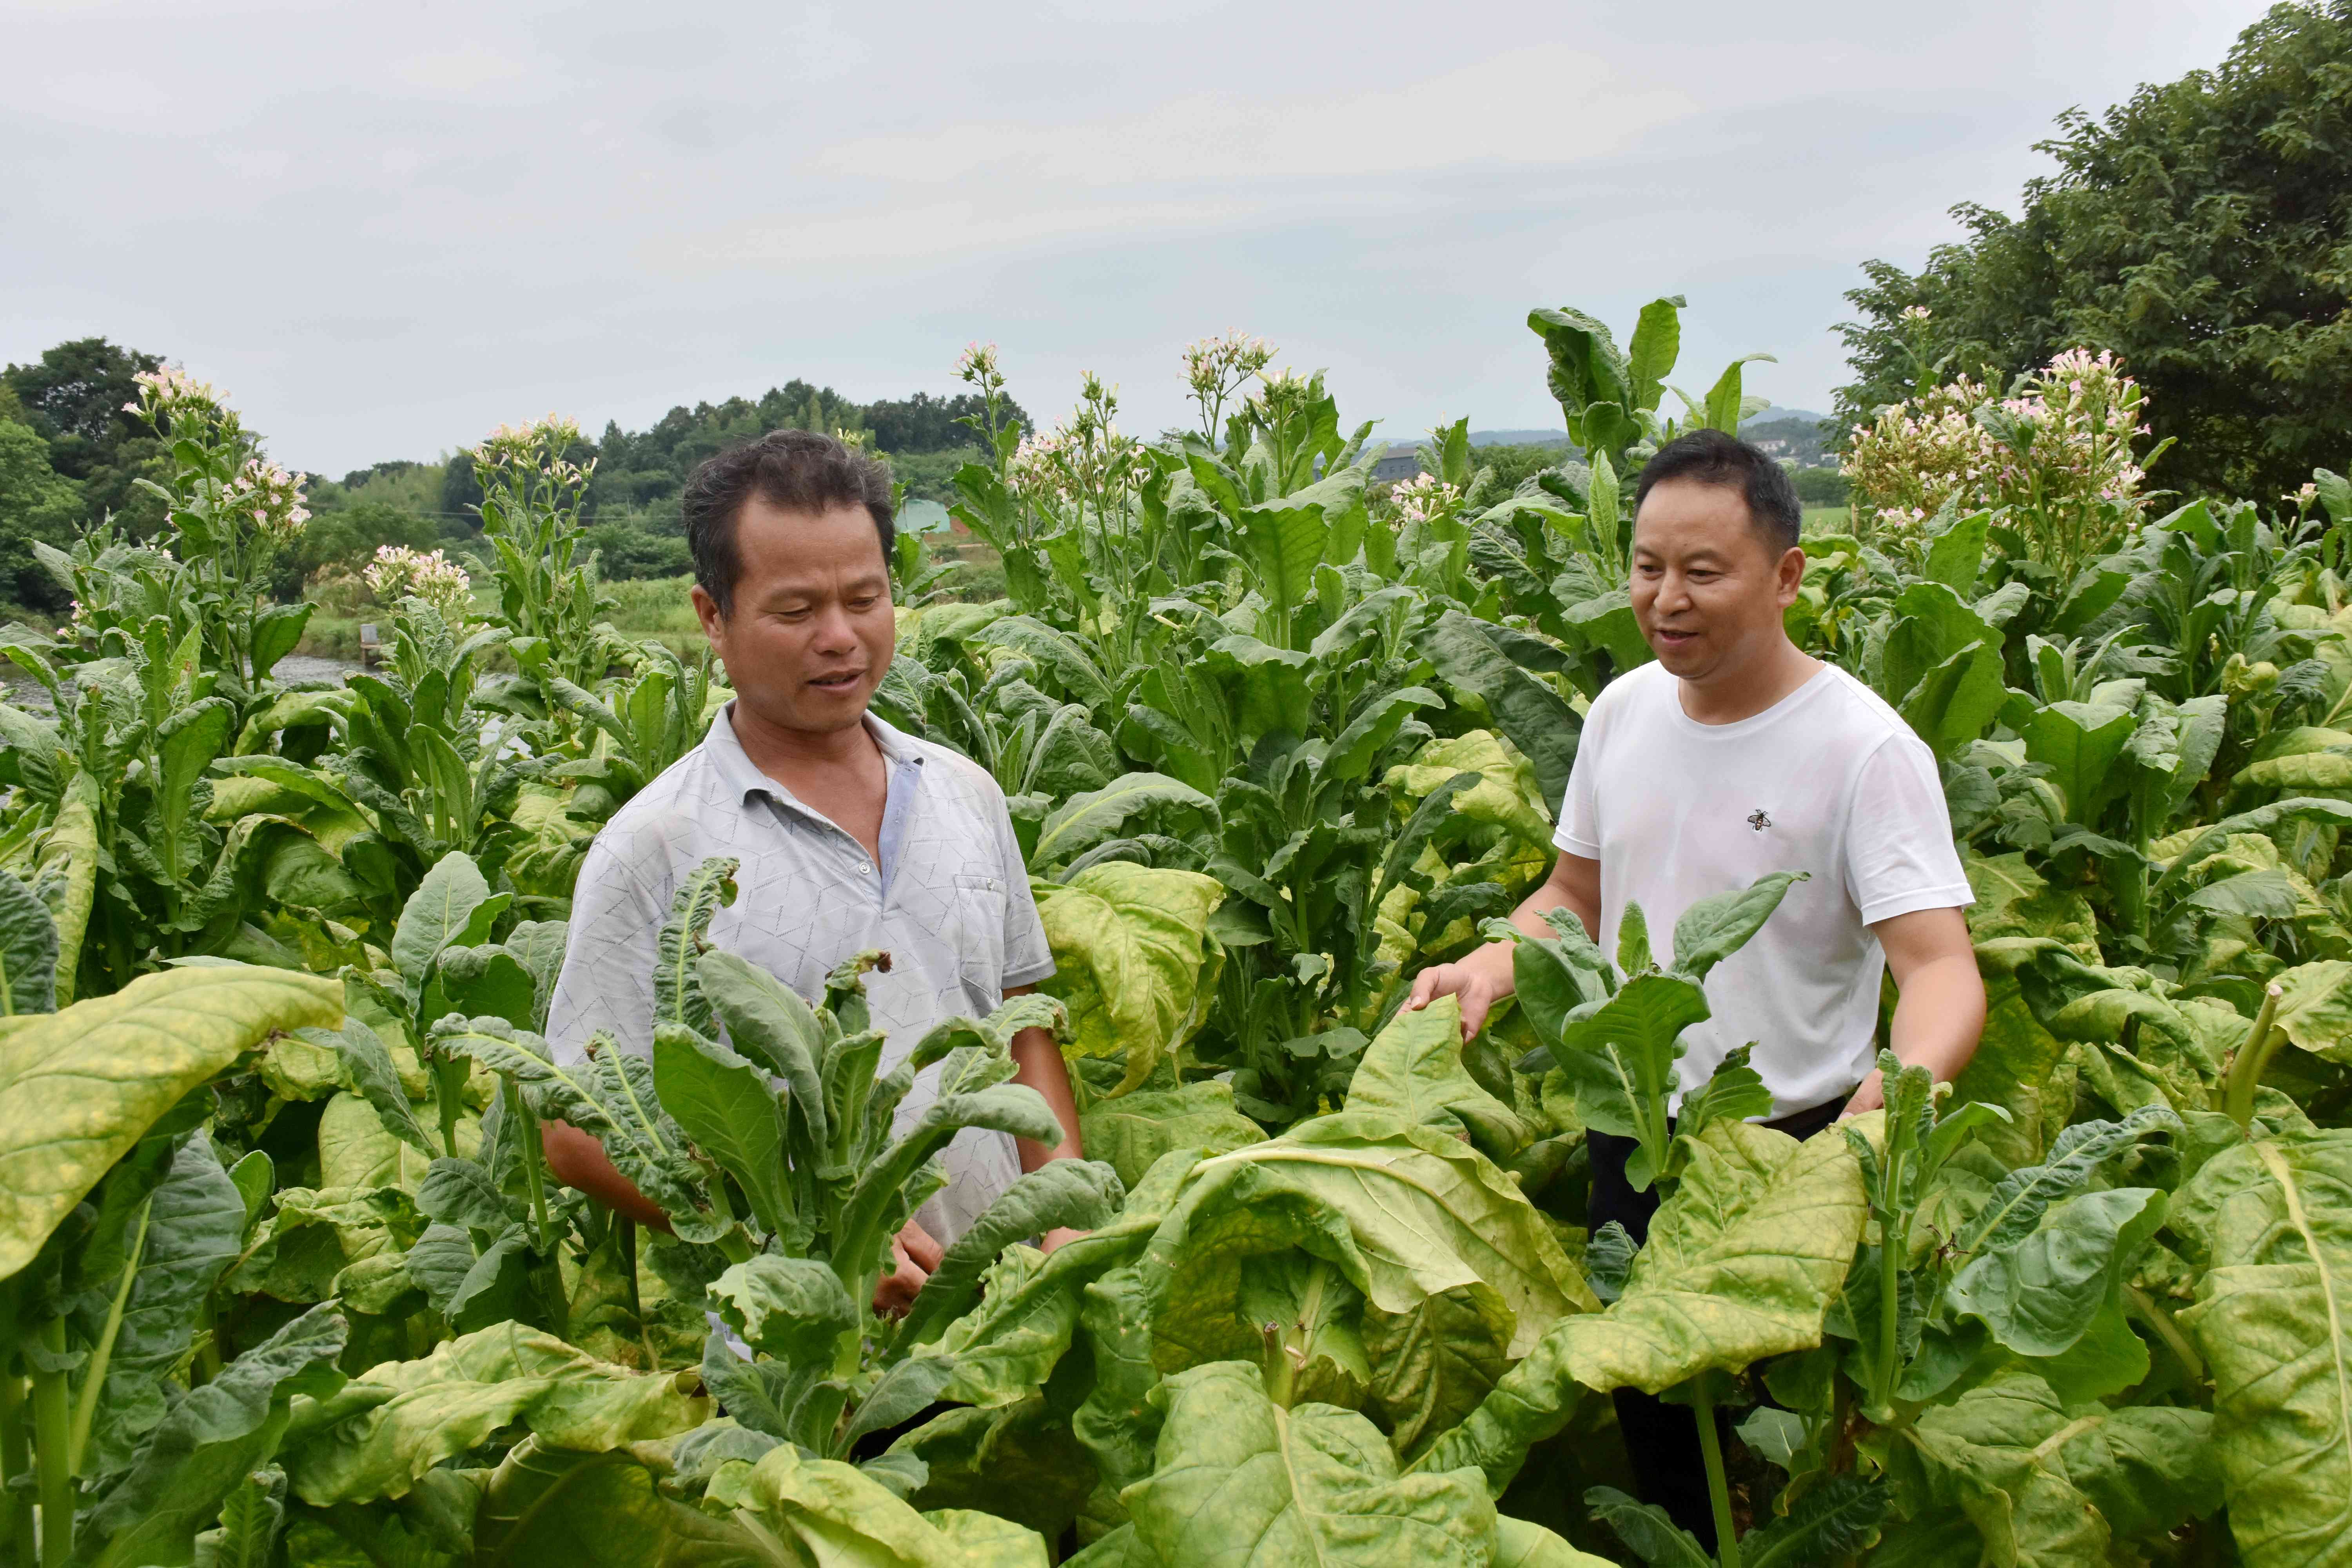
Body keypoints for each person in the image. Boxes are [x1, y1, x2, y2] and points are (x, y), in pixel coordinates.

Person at [1407, 428, 1984, 1547]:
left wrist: (1901, 1084)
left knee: (1784, 1460)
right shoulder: (1624, 711)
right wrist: (1494, 956)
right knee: (1662, 1435)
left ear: (1786, 576)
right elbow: (1572, 890)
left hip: (1795, 1152)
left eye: (1702, 572)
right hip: (1634, 1131)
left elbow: (1941, 965)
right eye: (1646, 567)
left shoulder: (1865, 749)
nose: (1666, 598)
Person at [540, 429, 1086, 1316]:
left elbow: (1022, 1031)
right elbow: (576, 1130)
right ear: (712, 616)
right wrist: (803, 1243)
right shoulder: (657, 845)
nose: (840, 637)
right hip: (812, 1377)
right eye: (795, 612)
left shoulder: (965, 793)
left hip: (1018, 1323)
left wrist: (1069, 1220)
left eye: (865, 598)